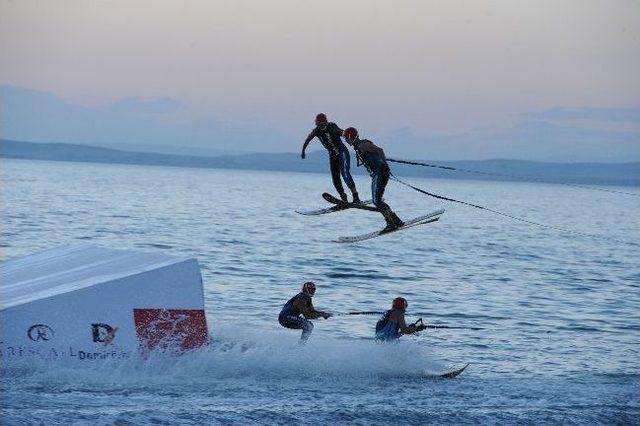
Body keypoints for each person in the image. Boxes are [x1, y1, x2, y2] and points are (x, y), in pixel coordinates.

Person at [343, 127, 404, 231]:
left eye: (346, 138)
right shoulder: (358, 147)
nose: (345, 140)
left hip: (380, 173)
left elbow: (380, 150)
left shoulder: (363, 145)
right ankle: (396, 221)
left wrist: (383, 163)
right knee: (377, 200)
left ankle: (391, 223)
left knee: (377, 201)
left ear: (351, 137)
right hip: (377, 174)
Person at [301, 113, 360, 203]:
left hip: (342, 153)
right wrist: (303, 151)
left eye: (321, 123)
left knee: (345, 174)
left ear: (325, 122)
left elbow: (343, 133)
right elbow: (308, 139)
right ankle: (343, 197)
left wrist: (353, 140)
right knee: (335, 177)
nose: (320, 125)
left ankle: (355, 196)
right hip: (332, 155)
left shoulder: (332, 127)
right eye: (318, 123)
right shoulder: (316, 131)